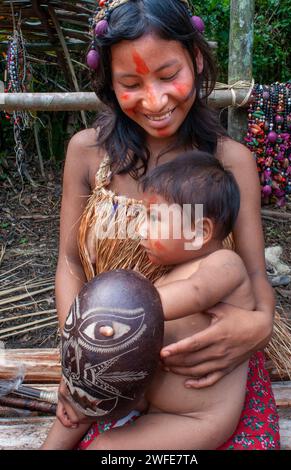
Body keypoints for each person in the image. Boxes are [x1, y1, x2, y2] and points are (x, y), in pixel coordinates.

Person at [54, 0, 280, 450]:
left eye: (168, 74)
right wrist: (80, 354)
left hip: (202, 380)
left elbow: (255, 275)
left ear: (196, 61)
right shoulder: (87, 153)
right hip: (108, 362)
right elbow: (69, 263)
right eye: (131, 83)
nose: (155, 100)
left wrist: (259, 327)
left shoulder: (231, 162)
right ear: (108, 82)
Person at [43, 152, 256, 450]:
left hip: (195, 418)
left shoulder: (225, 264)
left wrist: (116, 313)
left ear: (200, 231)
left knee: (106, 449)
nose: (141, 228)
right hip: (146, 397)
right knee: (81, 405)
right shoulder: (165, 277)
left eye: (154, 217)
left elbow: (196, 292)